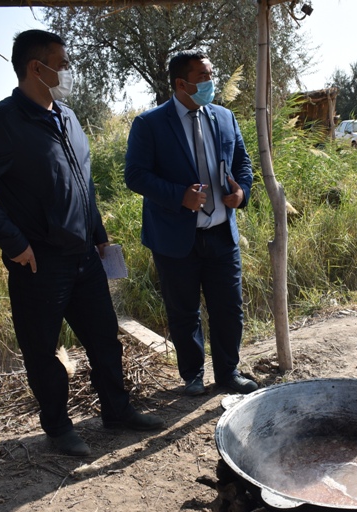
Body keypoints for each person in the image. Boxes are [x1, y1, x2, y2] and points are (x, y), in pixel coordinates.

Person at [0, 29, 163, 457]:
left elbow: (82, 184)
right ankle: (58, 427)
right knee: (42, 349)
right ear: (36, 67)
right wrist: (12, 242)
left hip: (85, 257)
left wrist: (99, 235)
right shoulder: (2, 124)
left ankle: (117, 411)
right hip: (38, 262)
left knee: (105, 339)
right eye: (62, 64)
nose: (68, 72)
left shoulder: (67, 116)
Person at [124, 50, 258, 397]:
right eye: (202, 76)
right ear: (181, 83)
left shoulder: (225, 117)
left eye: (211, 74)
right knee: (184, 311)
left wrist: (241, 193)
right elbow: (135, 175)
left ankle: (228, 372)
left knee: (228, 309)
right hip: (174, 237)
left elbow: (243, 164)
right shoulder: (149, 124)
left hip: (220, 233)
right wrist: (178, 195)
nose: (210, 82)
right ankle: (193, 376)